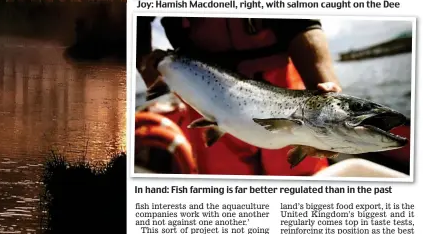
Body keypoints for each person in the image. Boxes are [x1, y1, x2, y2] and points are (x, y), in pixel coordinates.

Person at [136, 17, 341, 176]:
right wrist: (142, 56)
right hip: (202, 88)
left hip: (285, 91)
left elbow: (302, 19)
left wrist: (323, 88)